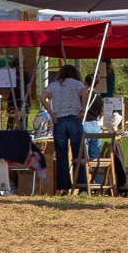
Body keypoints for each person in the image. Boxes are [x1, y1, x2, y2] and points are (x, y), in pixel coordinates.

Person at [45, 63, 89, 194]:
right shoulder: (76, 84)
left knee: (61, 155)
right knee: (78, 154)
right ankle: (81, 186)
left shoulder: (54, 85)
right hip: (74, 119)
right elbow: (85, 92)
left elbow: (42, 97)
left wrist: (51, 114)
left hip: (59, 120)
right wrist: (82, 110)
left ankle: (63, 187)